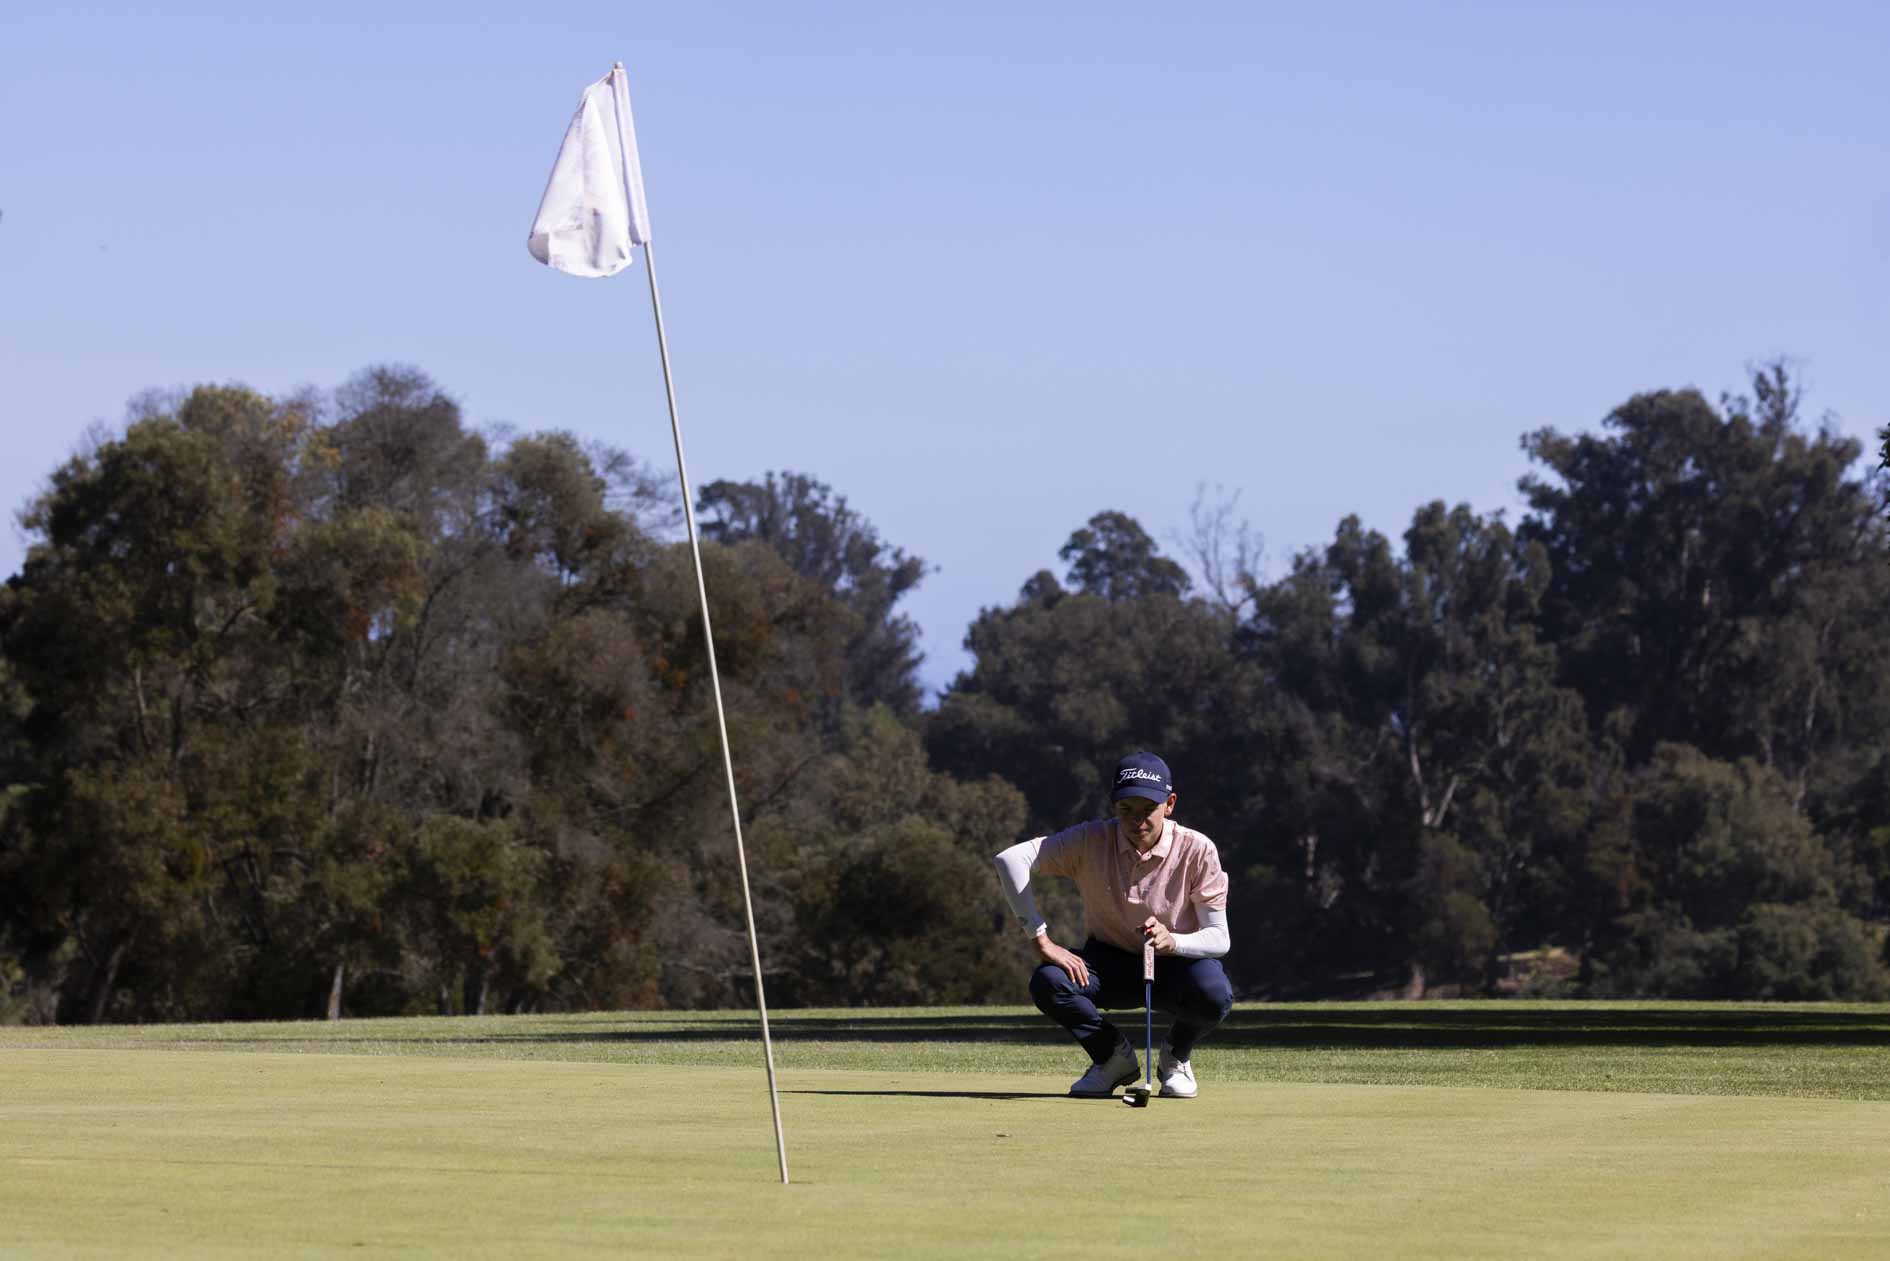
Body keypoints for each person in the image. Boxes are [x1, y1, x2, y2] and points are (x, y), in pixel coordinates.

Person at [993, 751, 1233, 1098]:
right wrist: (1040, 938)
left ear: (1169, 804)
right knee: (1049, 981)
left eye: (1148, 809)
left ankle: (1175, 1056)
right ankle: (1111, 1058)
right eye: (1126, 809)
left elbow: (1219, 938)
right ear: (1113, 806)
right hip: (1108, 964)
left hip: (1176, 966)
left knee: (1214, 993)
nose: (1137, 820)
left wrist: (1174, 940)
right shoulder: (1090, 839)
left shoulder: (1197, 849)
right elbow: (1010, 860)